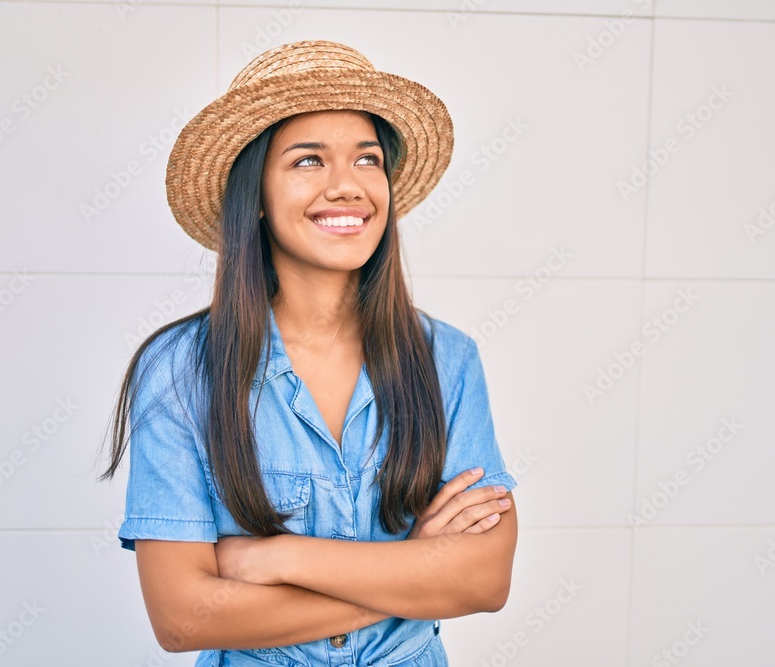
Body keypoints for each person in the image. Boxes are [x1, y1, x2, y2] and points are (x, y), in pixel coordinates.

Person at [98, 40, 518, 666]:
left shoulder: (447, 360)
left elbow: (483, 581)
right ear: (256, 197)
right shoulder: (182, 370)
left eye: (367, 159)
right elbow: (184, 617)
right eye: (307, 161)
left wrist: (276, 558)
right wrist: (412, 574)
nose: (347, 186)